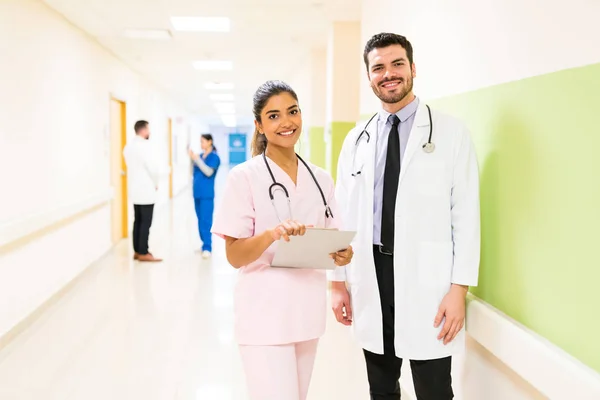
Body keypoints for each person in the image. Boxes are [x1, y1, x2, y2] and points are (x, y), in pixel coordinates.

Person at [330, 33, 481, 399]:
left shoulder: (451, 133)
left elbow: (466, 214)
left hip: (428, 280)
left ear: (413, 68)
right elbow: (342, 215)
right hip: (371, 272)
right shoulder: (357, 140)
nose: (388, 74)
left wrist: (459, 289)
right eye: (378, 67)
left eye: (397, 64)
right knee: (381, 388)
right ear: (369, 77)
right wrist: (337, 282)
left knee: (434, 389)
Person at [211, 80, 354, 400]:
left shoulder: (321, 178)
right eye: (273, 116)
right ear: (259, 125)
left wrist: (343, 254)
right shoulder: (244, 177)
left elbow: (334, 241)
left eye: (293, 111)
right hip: (264, 314)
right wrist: (271, 234)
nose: (286, 122)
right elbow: (235, 256)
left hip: (306, 312)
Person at [123, 120, 162, 262]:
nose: (149, 132)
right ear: (143, 130)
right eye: (148, 129)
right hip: (146, 190)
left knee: (137, 221)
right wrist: (156, 183)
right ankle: (144, 252)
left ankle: (137, 251)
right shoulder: (145, 147)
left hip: (134, 190)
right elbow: (153, 168)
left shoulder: (128, 147)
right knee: (146, 222)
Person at [189, 133, 221, 259]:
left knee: (206, 220)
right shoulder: (201, 156)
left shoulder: (214, 157)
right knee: (200, 220)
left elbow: (208, 172)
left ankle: (208, 247)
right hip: (197, 192)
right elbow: (193, 173)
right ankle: (204, 245)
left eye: (203, 141)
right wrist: (193, 159)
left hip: (207, 194)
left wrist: (197, 159)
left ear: (210, 142)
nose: (201, 144)